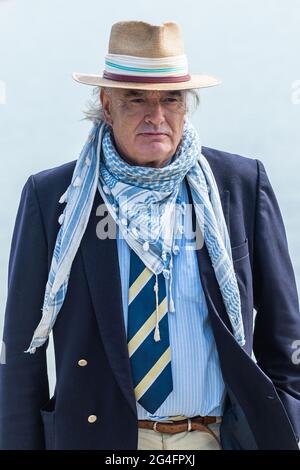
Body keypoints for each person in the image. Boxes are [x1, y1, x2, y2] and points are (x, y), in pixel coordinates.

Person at [0, 20, 300, 451]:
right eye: (135, 99)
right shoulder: (54, 198)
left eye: (171, 100)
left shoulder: (239, 186)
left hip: (219, 439)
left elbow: (284, 337)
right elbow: (21, 358)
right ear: (105, 104)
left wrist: (287, 430)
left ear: (186, 106)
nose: (155, 116)